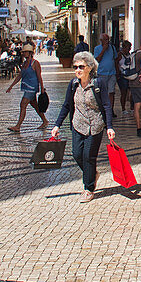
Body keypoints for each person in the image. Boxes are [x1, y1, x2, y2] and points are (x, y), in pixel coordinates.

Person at [51, 52, 116, 202]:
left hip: (95, 125)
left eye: (81, 66)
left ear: (90, 67)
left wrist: (110, 127)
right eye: (75, 67)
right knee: (77, 154)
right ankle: (92, 174)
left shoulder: (98, 84)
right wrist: (57, 125)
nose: (77, 70)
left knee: (88, 156)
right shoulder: (73, 84)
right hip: (78, 124)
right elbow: (67, 105)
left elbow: (106, 105)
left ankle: (88, 188)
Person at [5, 43, 48, 132]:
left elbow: (39, 76)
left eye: (25, 52)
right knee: (35, 105)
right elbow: (20, 75)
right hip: (26, 87)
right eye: (23, 52)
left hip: (32, 88)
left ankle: (18, 126)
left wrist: (42, 88)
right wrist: (11, 86)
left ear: (30, 53)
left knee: (23, 104)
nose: (24, 54)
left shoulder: (35, 63)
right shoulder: (24, 63)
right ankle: (45, 121)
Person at [92, 32, 120, 110]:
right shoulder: (97, 49)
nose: (107, 41)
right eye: (105, 40)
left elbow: (115, 60)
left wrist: (117, 71)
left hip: (112, 73)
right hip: (102, 73)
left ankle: (111, 109)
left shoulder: (112, 48)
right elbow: (97, 60)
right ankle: (103, 109)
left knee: (111, 92)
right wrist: (103, 50)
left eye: (108, 39)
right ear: (101, 40)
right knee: (103, 92)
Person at [117, 40, 135, 114]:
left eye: (129, 48)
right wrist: (117, 73)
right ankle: (123, 109)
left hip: (129, 75)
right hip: (122, 75)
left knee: (132, 92)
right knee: (123, 92)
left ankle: (131, 107)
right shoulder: (119, 55)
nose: (129, 49)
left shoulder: (130, 55)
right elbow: (116, 63)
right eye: (127, 47)